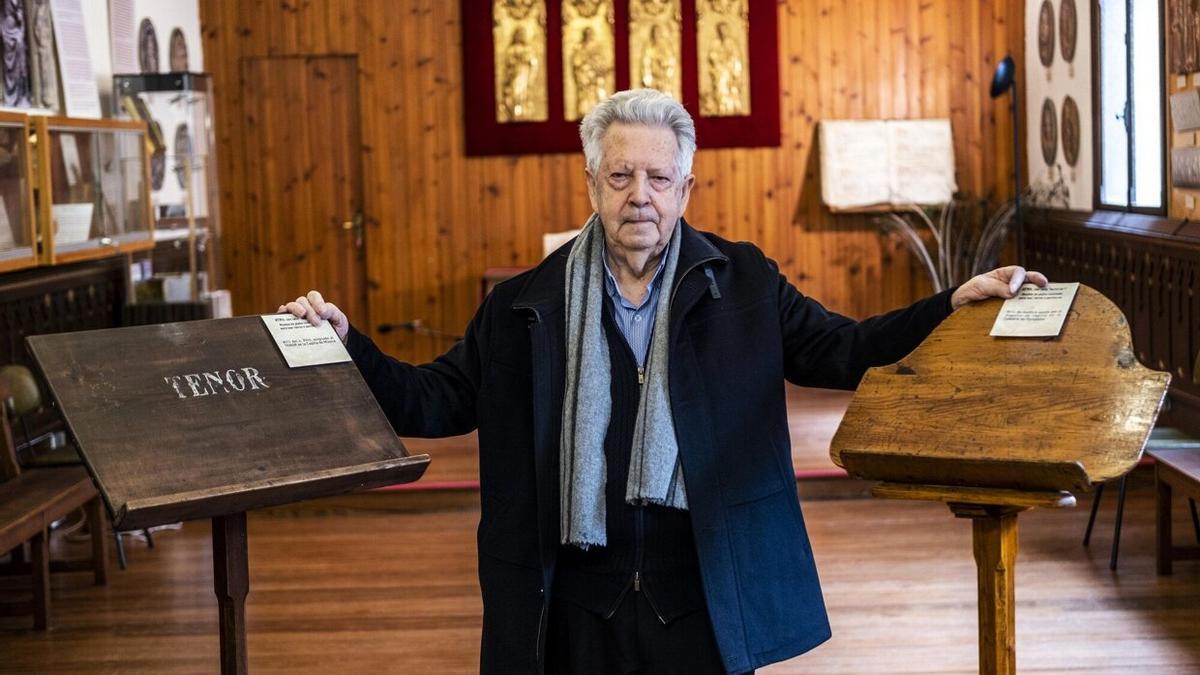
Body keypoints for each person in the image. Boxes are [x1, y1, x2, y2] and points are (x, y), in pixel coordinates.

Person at [281, 89, 1047, 674]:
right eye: (619, 175)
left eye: (656, 176)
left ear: (686, 186)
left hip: (708, 592)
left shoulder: (743, 281)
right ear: (590, 183)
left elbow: (843, 348)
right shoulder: (526, 303)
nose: (637, 194)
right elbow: (436, 397)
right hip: (574, 603)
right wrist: (352, 346)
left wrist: (949, 303)